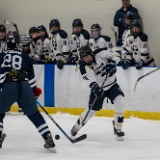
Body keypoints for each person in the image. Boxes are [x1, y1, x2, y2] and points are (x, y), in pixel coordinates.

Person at [0, 31, 56, 151]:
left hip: (8, 87)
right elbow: (31, 77)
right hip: (24, 86)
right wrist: (34, 91)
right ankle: (48, 137)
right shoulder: (24, 56)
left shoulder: (1, 55)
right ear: (18, 43)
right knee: (34, 114)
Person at [70, 45, 125, 141]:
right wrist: (95, 88)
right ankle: (77, 126)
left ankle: (118, 128)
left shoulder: (101, 53)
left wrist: (113, 64)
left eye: (88, 56)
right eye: (84, 58)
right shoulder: (84, 67)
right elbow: (90, 81)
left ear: (92, 54)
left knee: (120, 101)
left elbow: (116, 54)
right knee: (90, 111)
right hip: (99, 89)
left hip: (112, 84)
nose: (87, 59)